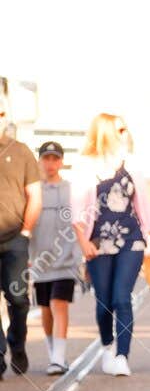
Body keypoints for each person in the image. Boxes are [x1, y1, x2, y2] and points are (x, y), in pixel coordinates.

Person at [71, 113, 150, 377]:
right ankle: (108, 346)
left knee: (122, 298)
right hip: (98, 243)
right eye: (120, 129)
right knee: (104, 304)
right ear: (105, 133)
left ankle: (122, 355)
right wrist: (83, 243)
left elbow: (143, 205)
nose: (125, 133)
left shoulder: (132, 164)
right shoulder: (86, 165)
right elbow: (76, 210)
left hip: (131, 240)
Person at [30, 141, 93, 375]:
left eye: (55, 159)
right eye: (46, 158)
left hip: (66, 261)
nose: (50, 163)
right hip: (40, 261)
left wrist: (80, 256)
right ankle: (52, 350)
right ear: (40, 161)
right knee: (45, 308)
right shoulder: (34, 190)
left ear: (62, 161)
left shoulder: (71, 190)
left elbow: (80, 223)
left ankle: (59, 356)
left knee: (59, 304)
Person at [0, 93, 42, 377]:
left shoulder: (22, 151)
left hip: (15, 238)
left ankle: (18, 343)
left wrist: (26, 231)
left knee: (17, 299)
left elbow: (35, 196)